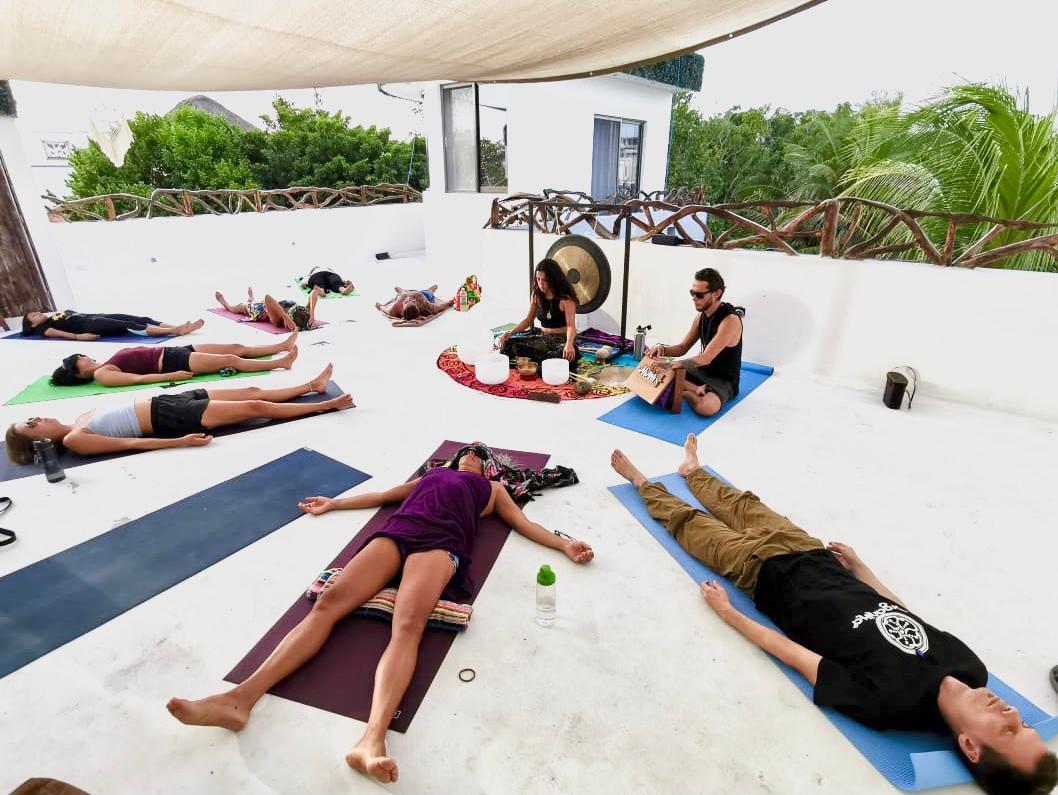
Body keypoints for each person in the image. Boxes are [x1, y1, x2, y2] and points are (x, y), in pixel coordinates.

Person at [610, 436, 1057, 795]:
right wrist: (864, 570)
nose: (1012, 711)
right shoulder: (971, 668)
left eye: (1009, 729)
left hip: (760, 573)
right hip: (808, 551)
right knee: (741, 504)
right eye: (1022, 721)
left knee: (687, 522)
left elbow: (795, 655)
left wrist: (729, 613)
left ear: (970, 747)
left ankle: (641, 481)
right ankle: (693, 471)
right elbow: (905, 616)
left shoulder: (889, 705)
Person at [166, 442, 594, 784]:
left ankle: (372, 741)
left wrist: (565, 543)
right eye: (468, 452)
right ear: (453, 459)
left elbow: (523, 523)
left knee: (407, 625)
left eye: (479, 456)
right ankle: (238, 700)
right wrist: (335, 504)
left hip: (440, 544)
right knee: (329, 604)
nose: (472, 455)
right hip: (396, 534)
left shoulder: (493, 491)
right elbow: (386, 495)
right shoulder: (433, 475)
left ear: (486, 469)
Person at [5, 365, 350, 464]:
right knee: (255, 410)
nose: (37, 418)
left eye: (31, 417)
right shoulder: (76, 439)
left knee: (252, 393)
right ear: (42, 441)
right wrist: (179, 442)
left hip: (169, 401)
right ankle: (325, 405)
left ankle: (311, 384)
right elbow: (129, 444)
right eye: (32, 425)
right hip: (170, 419)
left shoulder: (80, 416)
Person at [645, 267, 742, 417]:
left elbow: (705, 358)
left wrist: (670, 364)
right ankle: (693, 389)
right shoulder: (701, 317)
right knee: (651, 369)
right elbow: (683, 347)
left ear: (717, 294)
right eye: (692, 293)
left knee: (707, 407)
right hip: (700, 370)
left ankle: (683, 392)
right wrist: (663, 350)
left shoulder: (730, 321)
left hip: (722, 379)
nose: (694, 298)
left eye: (699, 294)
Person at [49, 332, 299, 387]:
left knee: (236, 346)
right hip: (172, 363)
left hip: (175, 350)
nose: (81, 356)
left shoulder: (103, 363)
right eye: (77, 360)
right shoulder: (102, 374)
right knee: (229, 359)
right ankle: (280, 362)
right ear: (76, 372)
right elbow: (137, 378)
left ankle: (279, 346)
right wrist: (171, 376)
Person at [496, 259, 579, 366]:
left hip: (561, 340)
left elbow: (571, 326)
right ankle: (539, 361)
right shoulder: (536, 295)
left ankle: (538, 361)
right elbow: (528, 319)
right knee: (507, 345)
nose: (540, 284)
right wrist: (510, 333)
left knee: (562, 357)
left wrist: (569, 344)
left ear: (553, 280)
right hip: (542, 337)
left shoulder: (565, 299)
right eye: (538, 279)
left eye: (545, 280)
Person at [20, 311, 202, 340]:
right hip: (89, 325)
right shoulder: (45, 328)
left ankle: (177, 326)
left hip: (95, 316)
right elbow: (59, 333)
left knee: (140, 317)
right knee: (128, 325)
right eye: (33, 316)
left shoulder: (52, 316)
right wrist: (79, 337)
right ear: (32, 324)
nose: (37, 313)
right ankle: (173, 331)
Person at [214, 286, 319, 331]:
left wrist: (285, 317)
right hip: (270, 304)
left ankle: (228, 303)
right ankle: (247, 299)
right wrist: (312, 313)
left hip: (259, 310)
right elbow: (314, 292)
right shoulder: (301, 311)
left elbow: (267, 298)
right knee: (245, 304)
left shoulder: (277, 320)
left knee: (238, 307)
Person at [376, 285, 454, 322]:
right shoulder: (423, 304)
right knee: (428, 295)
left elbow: (384, 308)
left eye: (407, 302)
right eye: (411, 302)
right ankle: (402, 291)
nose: (409, 299)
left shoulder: (394, 309)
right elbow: (436, 308)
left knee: (428, 293)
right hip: (411, 295)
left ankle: (430, 290)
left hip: (419, 294)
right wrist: (448, 303)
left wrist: (379, 305)